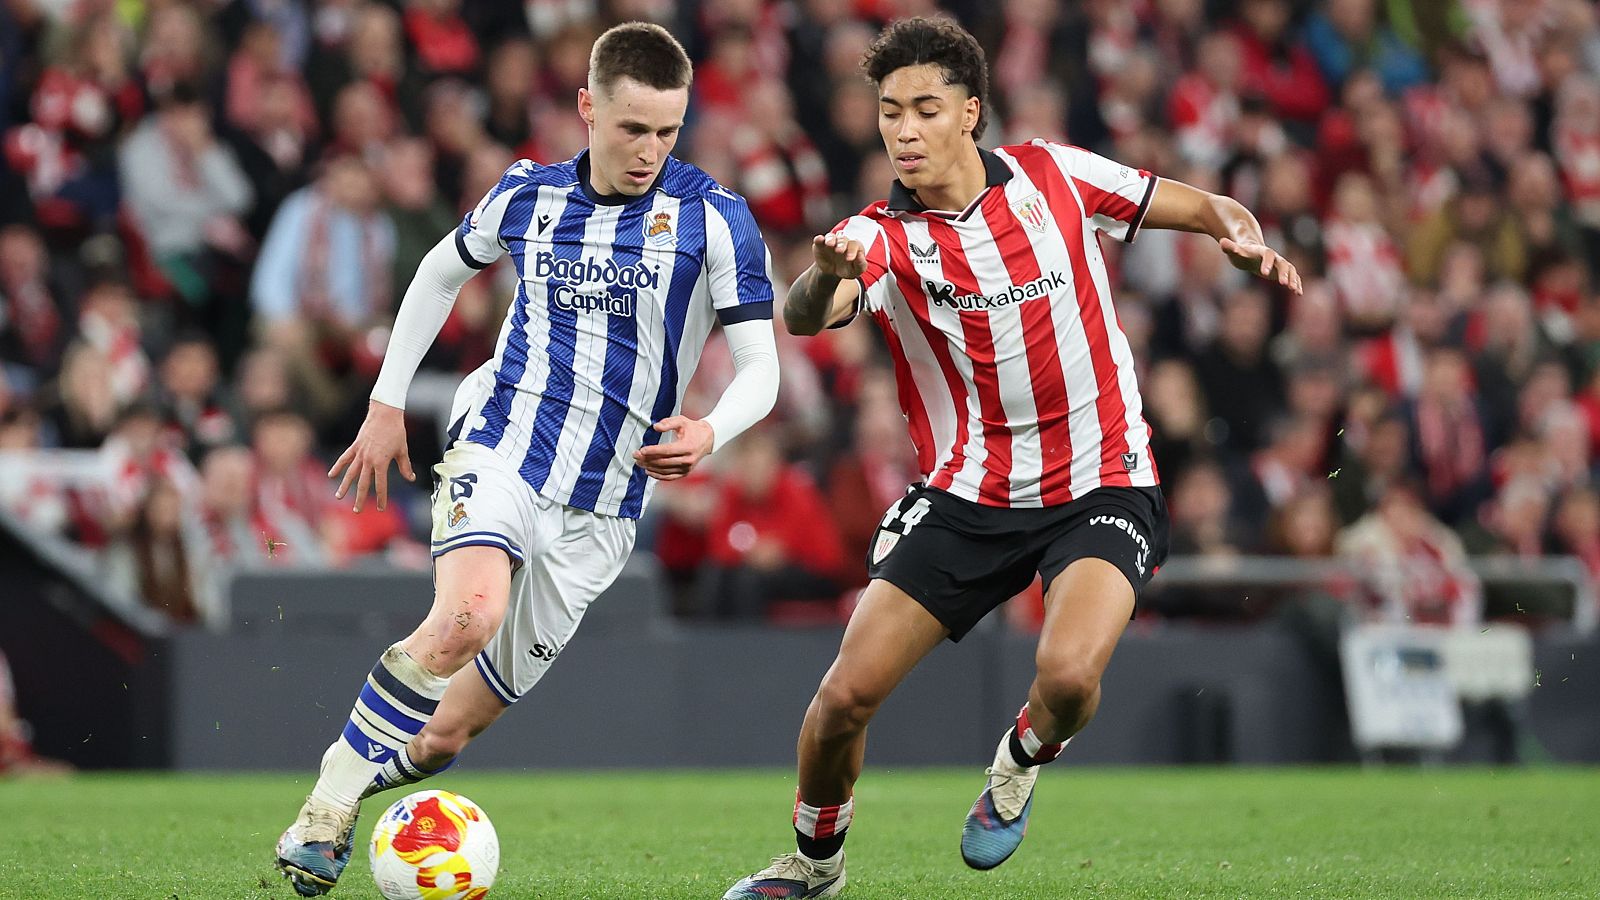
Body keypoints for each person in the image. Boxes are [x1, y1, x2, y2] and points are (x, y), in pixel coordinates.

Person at [724, 17, 1301, 899]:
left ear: (971, 112)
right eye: (888, 112)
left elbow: (1200, 204)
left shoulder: (1054, 174)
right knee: (841, 701)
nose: (903, 130)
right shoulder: (878, 234)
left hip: (1103, 476)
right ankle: (814, 865)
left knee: (1068, 676)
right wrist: (819, 273)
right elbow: (809, 315)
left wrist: (1240, 230)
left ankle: (1022, 756)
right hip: (970, 495)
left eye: (924, 108)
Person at [274, 22, 782, 896]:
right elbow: (439, 273)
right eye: (632, 128)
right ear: (588, 108)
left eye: (667, 130)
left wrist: (711, 429)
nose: (650, 149)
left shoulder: (714, 219)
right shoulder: (528, 196)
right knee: (466, 616)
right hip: (505, 445)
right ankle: (324, 809)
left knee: (442, 740)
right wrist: (388, 401)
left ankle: (354, 780)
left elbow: (761, 368)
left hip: (604, 511)